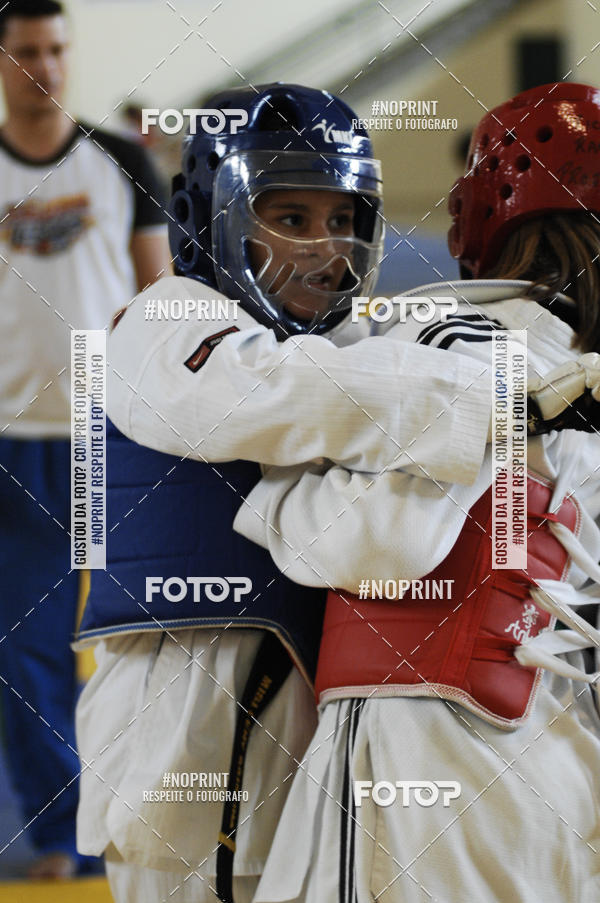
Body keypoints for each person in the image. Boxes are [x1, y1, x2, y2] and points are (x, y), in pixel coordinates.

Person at [72, 82, 525, 903]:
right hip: (178, 755)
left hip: (316, 766)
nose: (326, 248)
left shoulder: (354, 349)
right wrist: (476, 399)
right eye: (290, 220)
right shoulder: (164, 321)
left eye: (344, 220)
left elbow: (384, 511)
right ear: (215, 214)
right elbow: (257, 392)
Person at [230, 82, 600, 903]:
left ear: (478, 210)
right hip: (570, 768)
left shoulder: (440, 334)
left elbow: (366, 541)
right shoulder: (577, 358)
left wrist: (271, 501)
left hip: (429, 758)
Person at [0, 0, 171, 878]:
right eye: (27, 51)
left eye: (57, 49)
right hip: (9, 441)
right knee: (20, 649)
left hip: (107, 437)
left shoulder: (124, 160)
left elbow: (165, 304)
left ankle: (143, 820)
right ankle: (69, 833)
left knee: (133, 638)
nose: (46, 67)